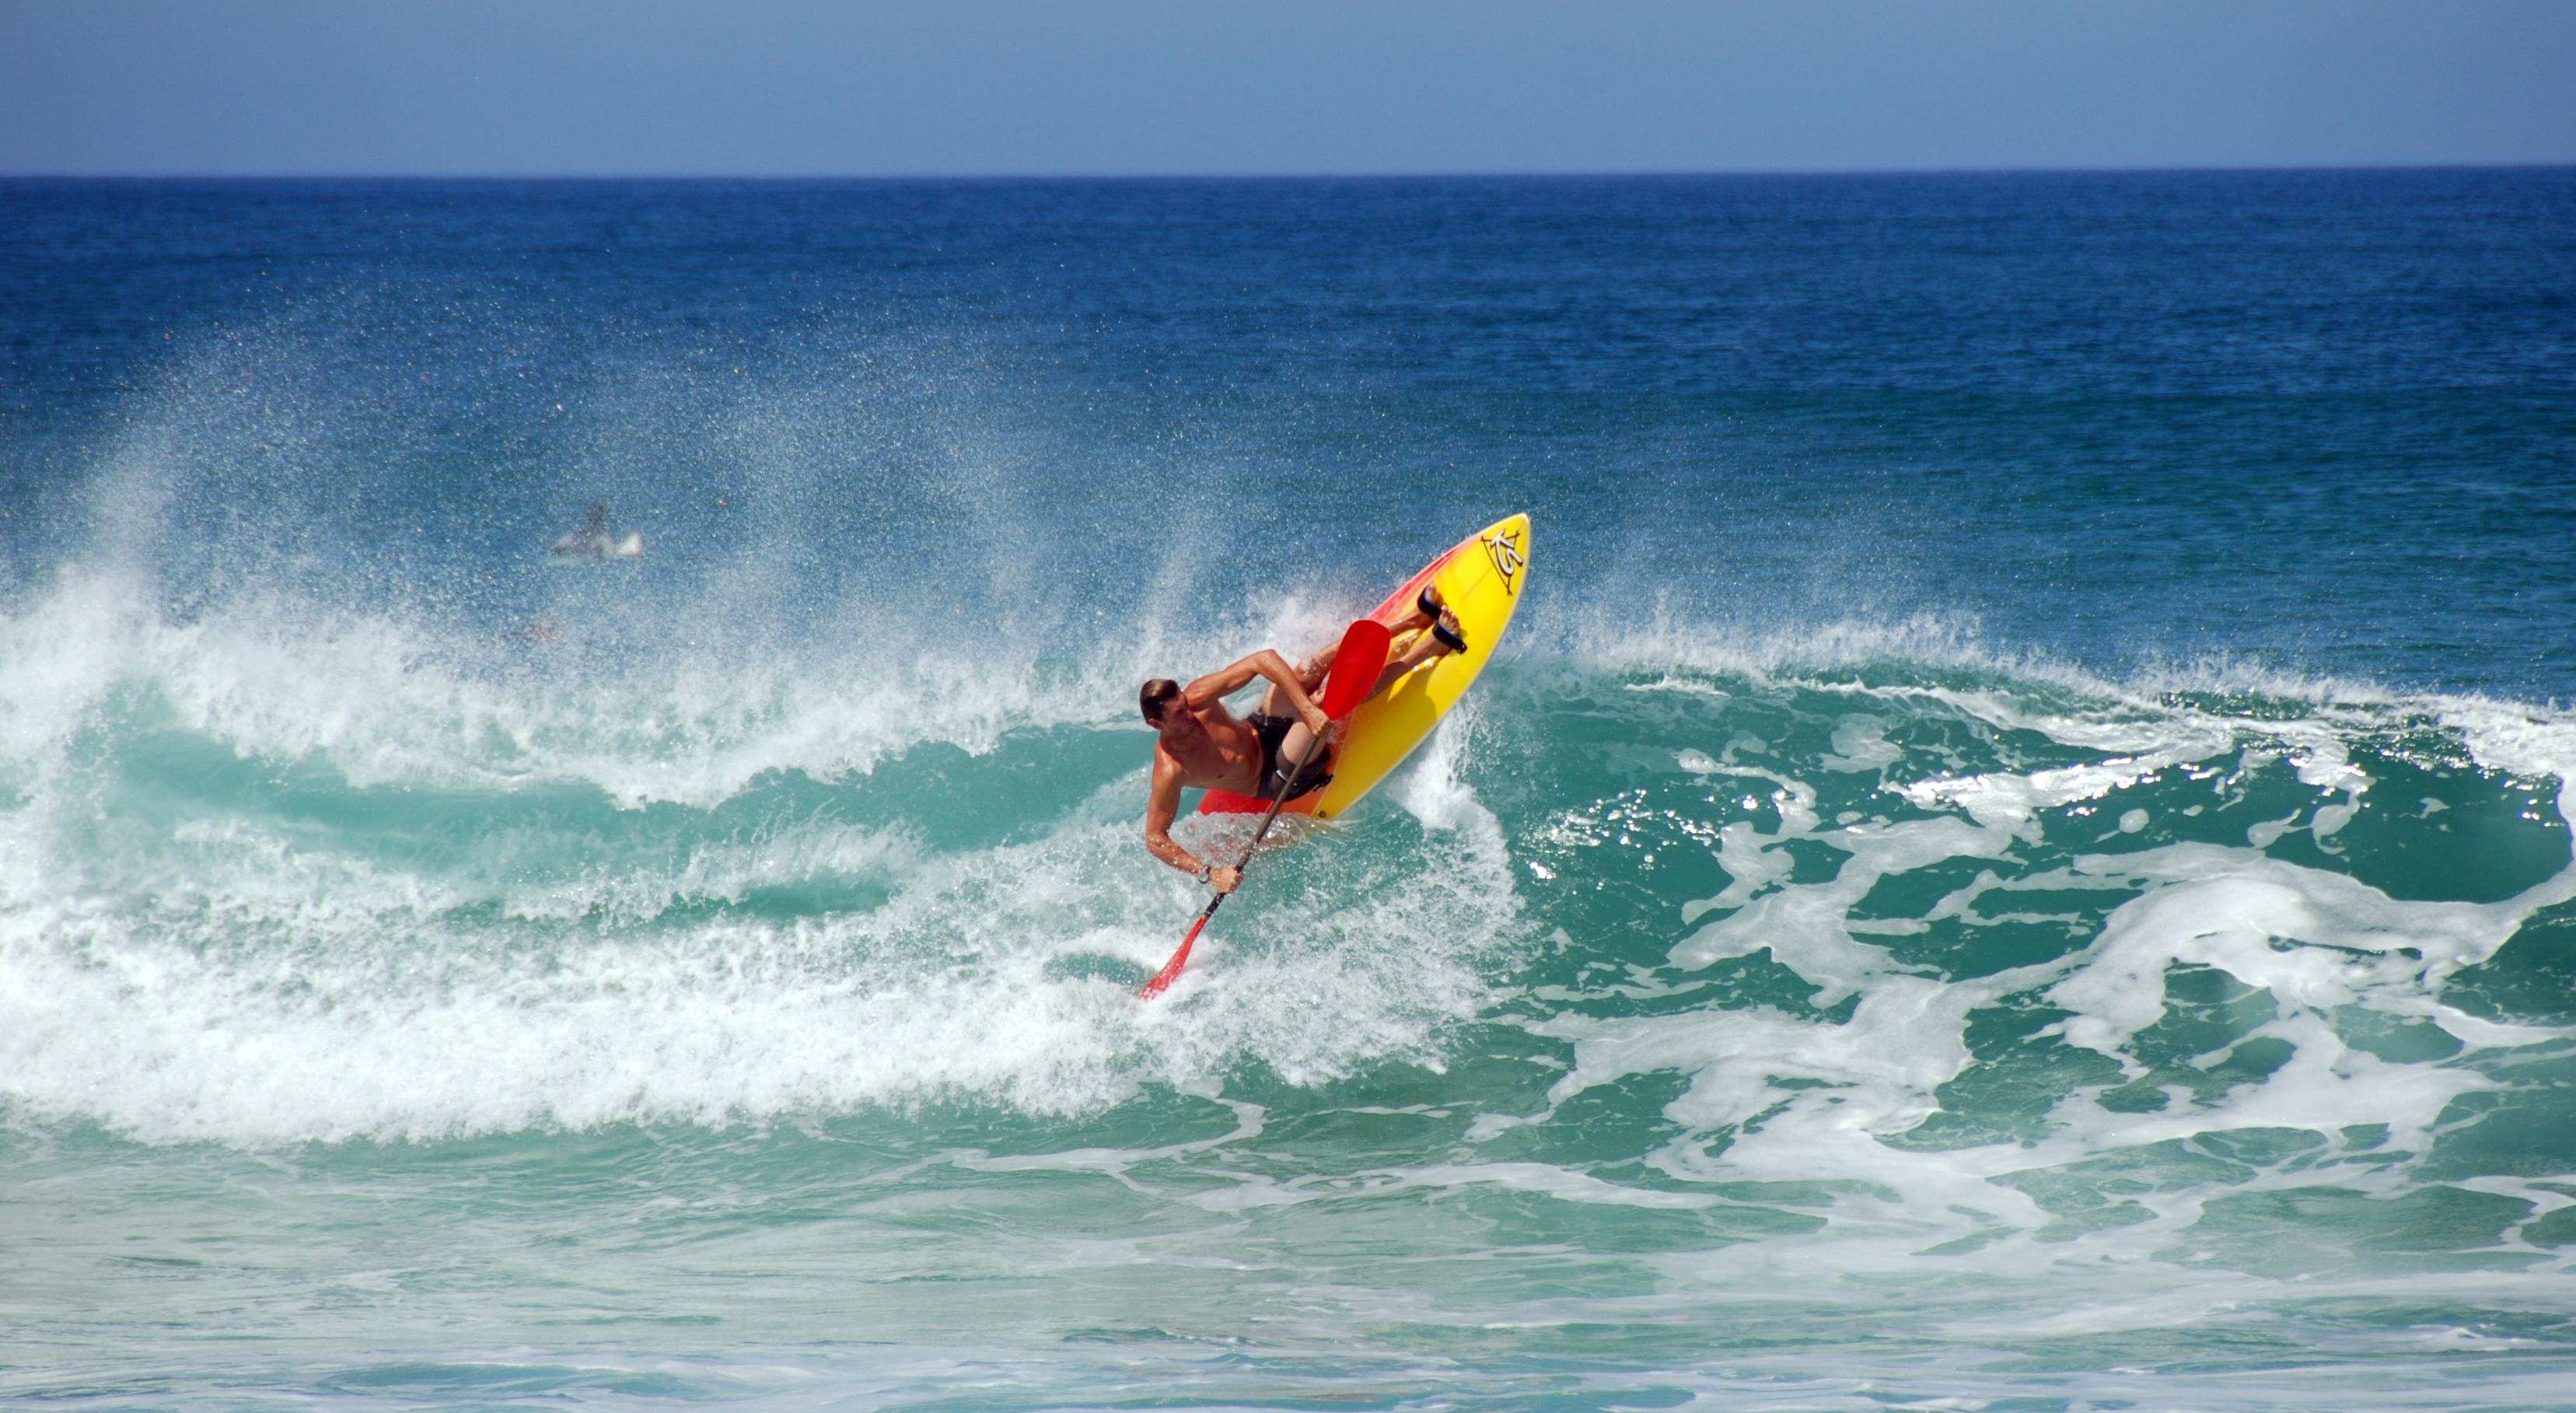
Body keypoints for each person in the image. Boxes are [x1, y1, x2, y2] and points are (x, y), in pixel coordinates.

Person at [1141, 586, 1469, 892]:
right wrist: (1209, 874)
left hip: (1262, 726)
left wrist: (1300, 706)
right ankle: (1430, 648)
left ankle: (1412, 620)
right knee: (1327, 701)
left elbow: (1262, 660)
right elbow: (1155, 839)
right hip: (1275, 774)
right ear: (1157, 724)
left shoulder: (1197, 697)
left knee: (1306, 669)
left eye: (1185, 703)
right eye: (1180, 714)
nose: (1190, 712)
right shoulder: (1171, 770)